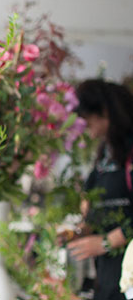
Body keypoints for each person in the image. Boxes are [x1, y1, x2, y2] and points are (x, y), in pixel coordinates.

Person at [67, 79, 133, 300]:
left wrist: (107, 242)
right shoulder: (106, 151)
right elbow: (93, 197)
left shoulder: (129, 150)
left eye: (86, 119)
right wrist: (82, 230)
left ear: (104, 111)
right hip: (106, 272)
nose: (85, 127)